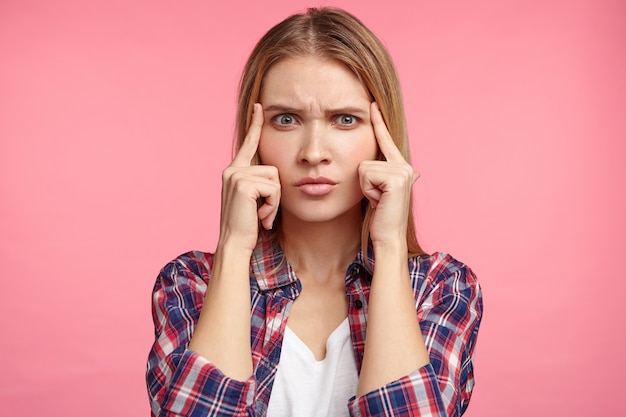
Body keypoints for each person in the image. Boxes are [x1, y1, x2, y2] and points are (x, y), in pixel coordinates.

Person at [146, 7, 482, 417]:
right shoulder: (190, 285)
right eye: (286, 119)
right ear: (254, 136)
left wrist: (390, 247)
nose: (313, 153)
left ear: (383, 137)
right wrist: (234, 247)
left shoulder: (442, 289)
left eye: (345, 119)